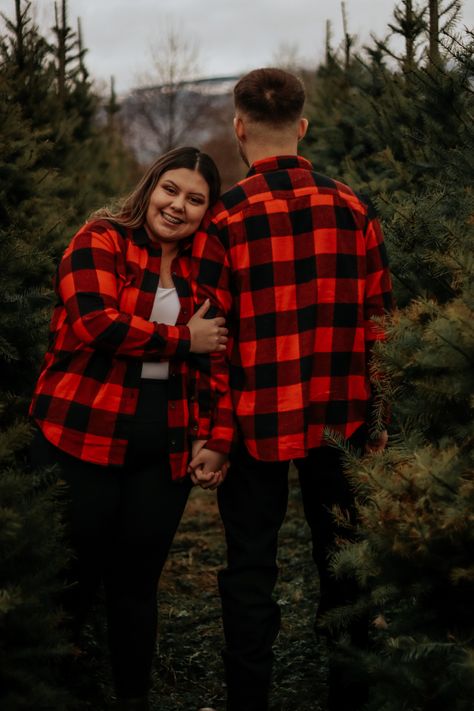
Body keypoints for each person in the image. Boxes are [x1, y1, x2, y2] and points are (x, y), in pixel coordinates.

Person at [189, 69, 394, 711]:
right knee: (344, 561)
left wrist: (218, 436)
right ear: (303, 127)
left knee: (250, 568)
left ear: (239, 127)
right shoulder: (356, 208)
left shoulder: (222, 218)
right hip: (341, 421)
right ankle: (351, 694)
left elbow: (213, 340)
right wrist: (376, 422)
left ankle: (249, 698)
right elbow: (381, 328)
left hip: (256, 423)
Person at [29, 146, 229, 711]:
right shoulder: (100, 239)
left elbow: (216, 356)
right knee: (73, 581)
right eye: (171, 189)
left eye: (195, 199)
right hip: (81, 432)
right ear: (150, 186)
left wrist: (213, 435)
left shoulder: (203, 269)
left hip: (161, 440)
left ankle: (133, 697)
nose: (178, 206)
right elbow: (97, 322)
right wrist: (180, 339)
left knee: (138, 585)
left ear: (206, 211)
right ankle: (59, 692)